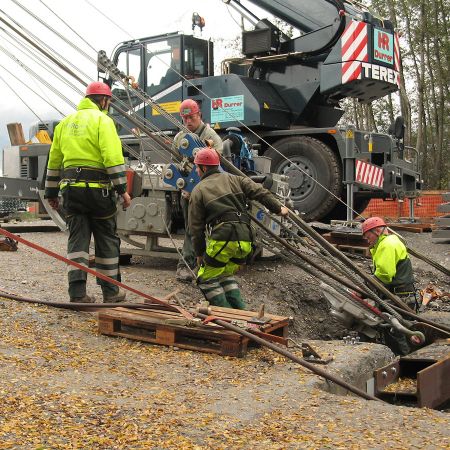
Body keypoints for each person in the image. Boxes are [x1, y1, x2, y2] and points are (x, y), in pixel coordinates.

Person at [44, 81, 131, 303]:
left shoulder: (64, 124)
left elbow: (54, 161)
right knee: (106, 239)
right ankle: (111, 293)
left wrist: (51, 193)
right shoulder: (103, 121)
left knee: (77, 241)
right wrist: (123, 190)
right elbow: (112, 158)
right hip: (98, 194)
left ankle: (77, 293)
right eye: (108, 101)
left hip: (71, 192)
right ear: (103, 100)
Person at [188, 147, 289, 309]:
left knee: (205, 278)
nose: (195, 170)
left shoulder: (198, 190)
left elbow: (196, 228)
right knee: (224, 275)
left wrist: (199, 254)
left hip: (224, 239)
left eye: (196, 166)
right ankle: (243, 314)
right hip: (245, 240)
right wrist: (279, 208)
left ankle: (229, 318)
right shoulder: (236, 179)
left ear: (204, 168)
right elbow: (260, 192)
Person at [173, 99, 223, 282]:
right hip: (187, 192)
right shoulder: (179, 138)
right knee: (191, 228)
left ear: (199, 115)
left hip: (208, 192)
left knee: (207, 227)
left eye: (191, 117)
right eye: (184, 118)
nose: (188, 122)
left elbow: (218, 160)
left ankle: (205, 264)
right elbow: (175, 163)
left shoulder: (211, 136)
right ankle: (187, 264)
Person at [362, 216, 417, 355]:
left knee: (396, 332)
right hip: (403, 296)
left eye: (368, 237)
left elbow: (383, 276)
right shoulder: (389, 242)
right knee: (404, 331)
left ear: (378, 231)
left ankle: (406, 364)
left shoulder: (387, 245)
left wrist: (361, 290)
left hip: (399, 298)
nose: (367, 241)